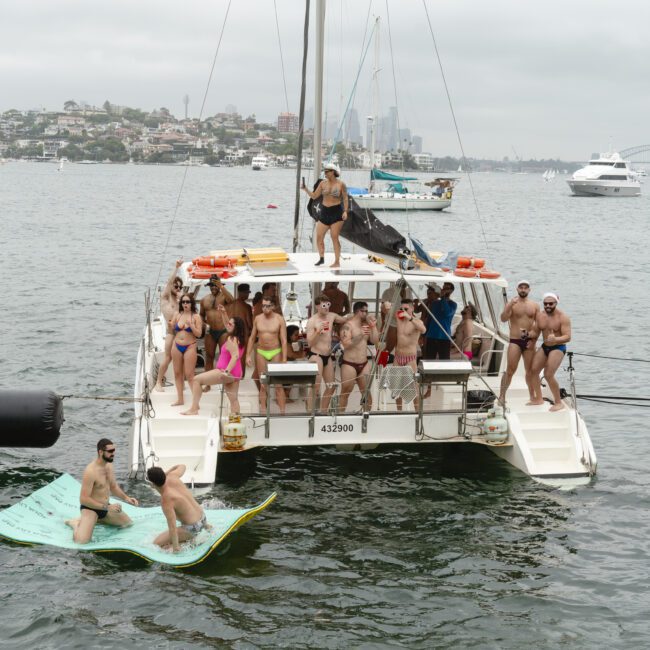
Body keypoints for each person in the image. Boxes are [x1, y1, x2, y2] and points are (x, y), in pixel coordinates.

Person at [65, 439, 138, 544]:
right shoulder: (90, 471)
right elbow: (83, 499)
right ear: (100, 452)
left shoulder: (109, 466)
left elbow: (113, 487)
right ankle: (75, 523)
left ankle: (99, 520)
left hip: (105, 508)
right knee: (81, 542)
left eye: (114, 450)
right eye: (110, 451)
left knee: (128, 524)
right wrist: (108, 507)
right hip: (90, 509)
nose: (113, 454)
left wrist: (127, 498)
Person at [182, 316, 246, 416]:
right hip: (236, 373)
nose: (227, 325)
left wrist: (226, 372)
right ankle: (236, 422)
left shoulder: (231, 339)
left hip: (225, 371)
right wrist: (223, 313)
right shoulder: (239, 339)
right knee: (234, 400)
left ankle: (194, 408)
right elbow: (237, 355)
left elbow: (235, 355)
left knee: (196, 380)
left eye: (230, 324)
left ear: (236, 327)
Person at [147, 465, 210, 552]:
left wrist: (176, 548)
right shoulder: (173, 476)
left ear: (152, 484)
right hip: (203, 518)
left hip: (193, 528)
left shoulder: (166, 500)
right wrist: (167, 473)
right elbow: (182, 466)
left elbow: (172, 527)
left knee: (156, 543)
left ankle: (190, 543)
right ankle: (205, 528)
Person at [498, 280, 540, 405]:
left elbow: (538, 326)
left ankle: (532, 396)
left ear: (529, 290)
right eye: (521, 287)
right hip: (515, 340)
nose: (523, 289)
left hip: (529, 341)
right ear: (517, 289)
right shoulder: (512, 303)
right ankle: (501, 396)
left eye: (525, 288)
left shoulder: (535, 305)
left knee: (530, 371)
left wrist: (533, 341)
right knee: (510, 370)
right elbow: (503, 319)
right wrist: (509, 305)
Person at [305, 294, 349, 412]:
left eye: (328, 305)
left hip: (327, 356)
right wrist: (317, 331)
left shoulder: (332, 316)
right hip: (316, 356)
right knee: (316, 387)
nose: (326, 308)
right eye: (323, 305)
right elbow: (309, 343)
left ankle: (323, 411)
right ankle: (309, 412)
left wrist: (359, 315)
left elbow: (345, 319)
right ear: (317, 306)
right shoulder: (312, 321)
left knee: (331, 386)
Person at [529, 293, 572, 411]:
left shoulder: (563, 317)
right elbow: (535, 331)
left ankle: (558, 402)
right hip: (545, 346)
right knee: (533, 370)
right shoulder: (541, 316)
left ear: (556, 303)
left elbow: (568, 337)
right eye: (545, 303)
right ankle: (539, 398)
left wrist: (556, 339)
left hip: (558, 347)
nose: (547, 305)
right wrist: (527, 335)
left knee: (548, 374)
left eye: (550, 303)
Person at [301, 162, 349, 267]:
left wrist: (345, 211)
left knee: (334, 237)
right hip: (324, 212)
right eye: (325, 171)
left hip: (336, 212)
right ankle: (321, 258)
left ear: (333, 172)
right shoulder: (322, 183)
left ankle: (337, 262)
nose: (325, 173)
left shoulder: (341, 184)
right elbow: (314, 196)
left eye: (327, 171)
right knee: (319, 237)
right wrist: (305, 189)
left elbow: (345, 198)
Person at [247, 295, 288, 414]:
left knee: (278, 385)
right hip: (260, 351)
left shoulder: (279, 319)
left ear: (273, 306)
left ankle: (282, 412)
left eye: (268, 306)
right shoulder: (258, 318)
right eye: (263, 306)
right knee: (263, 383)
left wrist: (284, 359)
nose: (265, 308)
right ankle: (263, 412)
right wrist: (248, 355)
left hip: (276, 351)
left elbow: (284, 340)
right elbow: (252, 337)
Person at [338, 301, 379, 412]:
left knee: (366, 393)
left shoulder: (366, 325)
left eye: (367, 311)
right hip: (349, 363)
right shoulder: (347, 326)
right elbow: (346, 345)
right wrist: (360, 334)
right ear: (357, 311)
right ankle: (340, 418)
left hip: (364, 363)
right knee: (345, 392)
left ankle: (366, 417)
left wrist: (373, 327)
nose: (366, 314)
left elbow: (376, 341)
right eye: (364, 311)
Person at [155, 259, 184, 391]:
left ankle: (181, 383)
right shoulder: (166, 297)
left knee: (181, 358)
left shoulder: (181, 301)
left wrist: (182, 298)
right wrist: (176, 267)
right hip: (171, 332)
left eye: (180, 287)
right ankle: (158, 382)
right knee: (167, 358)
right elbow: (169, 281)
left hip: (182, 332)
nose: (177, 288)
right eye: (175, 286)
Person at [393, 298, 426, 410]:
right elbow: (386, 310)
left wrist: (410, 318)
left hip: (410, 358)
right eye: (401, 308)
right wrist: (387, 305)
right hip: (398, 356)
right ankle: (399, 411)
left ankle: (417, 412)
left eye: (406, 308)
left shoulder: (417, 322)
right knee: (396, 387)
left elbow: (423, 330)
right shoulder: (398, 319)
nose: (403, 311)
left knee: (413, 387)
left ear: (412, 308)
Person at [170, 293, 203, 406]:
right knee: (177, 373)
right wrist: (171, 325)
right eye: (183, 302)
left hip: (190, 346)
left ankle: (195, 403)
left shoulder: (196, 317)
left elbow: (199, 334)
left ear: (192, 303)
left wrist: (192, 326)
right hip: (176, 345)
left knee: (189, 375)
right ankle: (180, 399)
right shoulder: (177, 314)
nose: (185, 304)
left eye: (187, 302)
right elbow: (172, 328)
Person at [200, 275, 234, 373]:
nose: (213, 287)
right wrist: (203, 324)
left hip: (223, 331)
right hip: (210, 332)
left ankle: (224, 380)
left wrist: (222, 287)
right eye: (212, 285)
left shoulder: (224, 297)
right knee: (209, 356)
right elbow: (201, 315)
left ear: (219, 286)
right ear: (209, 286)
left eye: (216, 285)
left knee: (225, 355)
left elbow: (232, 300)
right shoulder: (204, 300)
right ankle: (207, 383)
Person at [423, 282, 457, 359]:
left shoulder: (453, 304)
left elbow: (446, 312)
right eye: (443, 288)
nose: (444, 290)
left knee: (444, 361)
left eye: (447, 289)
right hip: (431, 336)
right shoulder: (435, 303)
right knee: (429, 359)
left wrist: (443, 298)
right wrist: (424, 335)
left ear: (451, 291)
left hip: (444, 337)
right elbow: (429, 319)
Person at [381, 284, 413, 354]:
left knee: (401, 348)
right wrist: (383, 323)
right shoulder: (388, 292)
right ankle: (380, 363)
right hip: (392, 323)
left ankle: (398, 364)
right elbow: (382, 309)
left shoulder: (409, 292)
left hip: (405, 323)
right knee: (389, 347)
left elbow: (411, 307)